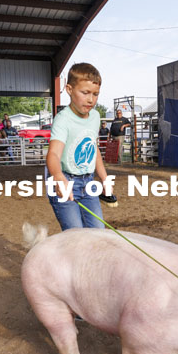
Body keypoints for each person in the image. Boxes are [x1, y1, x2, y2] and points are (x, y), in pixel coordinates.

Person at [45, 62, 111, 230]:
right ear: (69, 89)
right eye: (85, 92)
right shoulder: (63, 119)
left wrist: (104, 178)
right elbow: (53, 155)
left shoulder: (95, 117)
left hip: (88, 182)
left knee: (98, 231)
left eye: (95, 94)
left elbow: (93, 148)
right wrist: (59, 178)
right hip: (65, 179)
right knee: (75, 234)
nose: (91, 99)